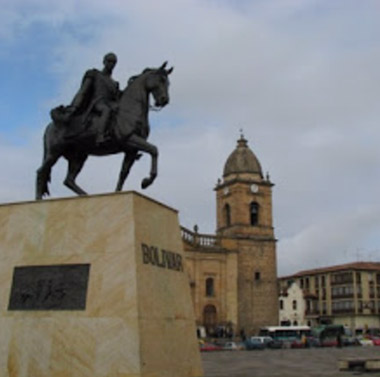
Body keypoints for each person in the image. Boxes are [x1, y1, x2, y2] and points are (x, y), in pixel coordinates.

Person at [65, 52, 121, 144]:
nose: (111, 64)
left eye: (114, 62)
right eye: (109, 61)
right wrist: (74, 107)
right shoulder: (94, 74)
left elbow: (117, 97)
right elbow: (83, 91)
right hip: (98, 102)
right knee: (106, 110)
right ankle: (100, 135)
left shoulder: (114, 83)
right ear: (104, 62)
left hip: (111, 103)